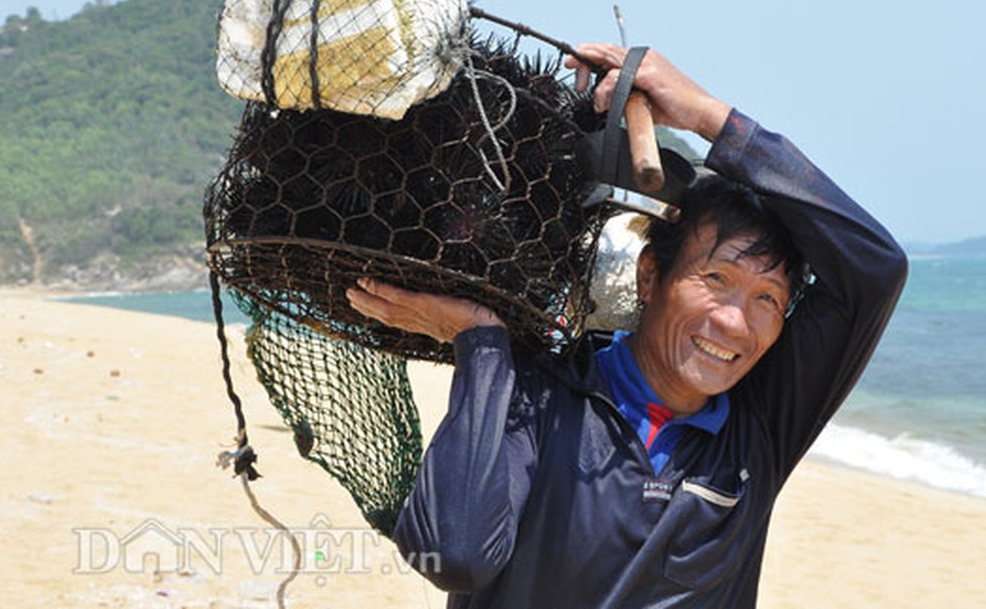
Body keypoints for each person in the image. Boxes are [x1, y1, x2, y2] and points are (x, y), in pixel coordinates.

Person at [346, 45, 907, 607]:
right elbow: (453, 553)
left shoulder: (761, 425)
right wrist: (481, 346)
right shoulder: (541, 392)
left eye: (768, 297)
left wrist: (706, 115)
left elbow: (876, 268)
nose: (735, 322)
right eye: (715, 278)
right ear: (649, 276)